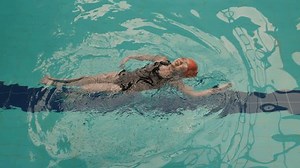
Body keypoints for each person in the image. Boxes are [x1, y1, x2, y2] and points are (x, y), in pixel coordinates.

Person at [41, 55, 232, 97]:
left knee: (86, 89)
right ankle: (54, 81)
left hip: (124, 88)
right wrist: (130, 57)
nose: (179, 62)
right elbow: (146, 57)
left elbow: (194, 95)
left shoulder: (174, 81)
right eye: (181, 59)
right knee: (86, 77)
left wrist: (217, 89)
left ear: (186, 73)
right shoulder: (162, 59)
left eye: (184, 65)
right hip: (121, 75)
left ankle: (62, 92)